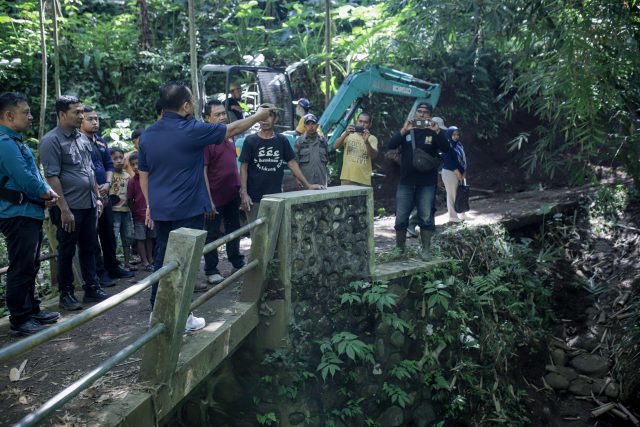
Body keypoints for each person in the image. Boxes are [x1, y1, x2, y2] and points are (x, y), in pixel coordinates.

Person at [139, 81, 271, 325]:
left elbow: (144, 174)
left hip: (161, 209)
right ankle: (183, 317)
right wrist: (258, 115)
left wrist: (149, 205)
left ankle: (155, 312)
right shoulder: (191, 129)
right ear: (186, 105)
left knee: (162, 258)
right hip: (187, 209)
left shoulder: (147, 135)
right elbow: (229, 130)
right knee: (185, 262)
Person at [40, 96, 111, 311]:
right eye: (76, 112)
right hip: (69, 208)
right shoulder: (51, 140)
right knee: (67, 251)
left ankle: (92, 287)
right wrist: (64, 209)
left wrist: (97, 197)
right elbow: (52, 177)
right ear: (62, 114)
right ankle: (67, 293)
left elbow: (88, 170)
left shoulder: (81, 138)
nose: (81, 116)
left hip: (89, 204)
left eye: (82, 111)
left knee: (90, 247)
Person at [0, 92, 61, 336]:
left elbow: (32, 174)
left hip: (27, 211)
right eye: (25, 112)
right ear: (8, 115)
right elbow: (24, 177)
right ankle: (20, 318)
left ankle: (32, 309)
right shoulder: (4, 143)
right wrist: (46, 194)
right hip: (16, 213)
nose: (30, 116)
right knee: (22, 264)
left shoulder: (15, 141)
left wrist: (44, 193)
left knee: (31, 263)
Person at [239, 104, 324, 222]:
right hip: (255, 198)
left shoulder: (281, 140)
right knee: (258, 236)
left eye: (269, 116)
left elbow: (292, 163)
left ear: (276, 118)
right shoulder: (250, 141)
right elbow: (243, 168)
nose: (264, 120)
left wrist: (308, 185)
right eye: (262, 117)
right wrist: (244, 193)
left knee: (276, 234)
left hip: (276, 197)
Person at [81, 106, 134, 286]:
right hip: (89, 196)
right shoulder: (78, 142)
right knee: (92, 235)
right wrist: (96, 187)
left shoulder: (101, 142)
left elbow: (109, 166)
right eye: (90, 119)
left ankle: (113, 266)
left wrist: (107, 183)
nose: (95, 122)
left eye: (96, 118)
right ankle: (99, 272)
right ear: (81, 120)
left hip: (106, 194)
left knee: (108, 233)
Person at [387, 113, 452, 260]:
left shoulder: (434, 132)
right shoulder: (408, 131)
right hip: (406, 182)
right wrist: (404, 129)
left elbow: (446, 149)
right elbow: (391, 144)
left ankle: (426, 251)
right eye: (419, 112)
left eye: (425, 113)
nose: (422, 115)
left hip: (427, 183)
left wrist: (437, 131)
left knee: (426, 217)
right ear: (416, 114)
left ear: (429, 116)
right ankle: (400, 250)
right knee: (401, 216)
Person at [201, 100, 245, 286]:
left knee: (234, 230)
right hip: (214, 197)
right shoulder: (207, 140)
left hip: (231, 194)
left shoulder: (229, 136)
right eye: (217, 114)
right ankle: (211, 269)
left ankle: (237, 261)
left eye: (223, 114)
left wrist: (241, 190)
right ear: (207, 118)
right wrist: (207, 200)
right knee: (211, 235)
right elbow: (202, 171)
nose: (222, 117)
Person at [333, 112, 378, 186]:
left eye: (365, 122)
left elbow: (373, 156)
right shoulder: (349, 134)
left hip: (364, 180)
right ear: (356, 122)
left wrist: (366, 142)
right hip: (347, 178)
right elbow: (335, 146)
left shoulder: (372, 138)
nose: (362, 124)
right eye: (360, 121)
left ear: (370, 125)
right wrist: (345, 134)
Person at [127, 152, 155, 271]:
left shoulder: (151, 178)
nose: (135, 167)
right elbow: (129, 199)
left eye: (138, 164)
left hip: (152, 215)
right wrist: (135, 211)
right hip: (139, 215)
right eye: (133, 164)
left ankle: (151, 259)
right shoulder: (132, 181)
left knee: (150, 238)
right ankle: (145, 261)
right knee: (141, 238)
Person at [109, 147, 135, 270]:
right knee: (113, 237)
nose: (119, 161)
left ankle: (127, 262)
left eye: (121, 158)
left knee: (128, 236)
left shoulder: (127, 176)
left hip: (126, 211)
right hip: (113, 212)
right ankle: (113, 262)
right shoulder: (109, 175)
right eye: (115, 158)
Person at [294, 113, 329, 187]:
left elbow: (327, 159)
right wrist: (297, 178)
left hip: (321, 181)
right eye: (308, 124)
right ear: (304, 126)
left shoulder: (323, 141)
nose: (311, 126)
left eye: (313, 123)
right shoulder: (299, 142)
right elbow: (295, 162)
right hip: (306, 182)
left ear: (317, 126)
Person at [441, 125, 467, 222]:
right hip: (450, 173)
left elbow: (463, 159)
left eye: (457, 134)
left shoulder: (458, 144)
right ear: (449, 135)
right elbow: (448, 161)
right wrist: (457, 172)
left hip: (460, 173)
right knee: (452, 194)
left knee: (462, 192)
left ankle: (463, 213)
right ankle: (453, 217)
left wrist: (464, 171)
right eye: (453, 135)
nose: (456, 136)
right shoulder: (447, 145)